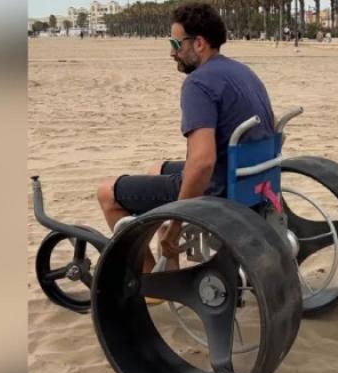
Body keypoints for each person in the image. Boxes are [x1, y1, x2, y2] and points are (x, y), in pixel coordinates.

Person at [96, 2, 277, 272]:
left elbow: (203, 162)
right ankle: (169, 265)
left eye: (175, 43)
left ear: (199, 43)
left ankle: (148, 280)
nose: (172, 53)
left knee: (107, 192)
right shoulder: (243, 71)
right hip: (247, 176)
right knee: (156, 169)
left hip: (219, 186)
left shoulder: (198, 83)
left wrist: (177, 223)